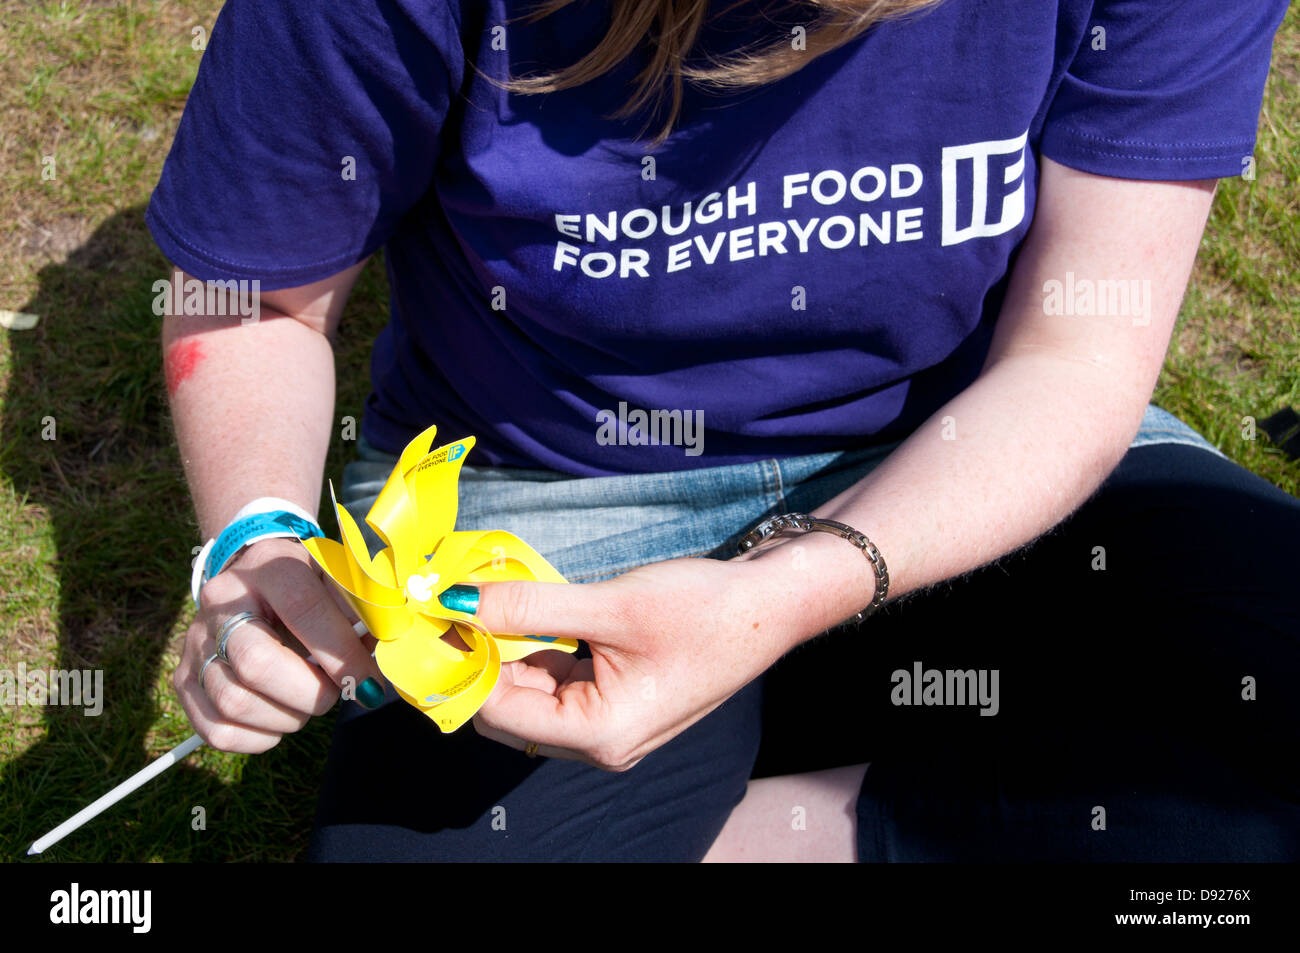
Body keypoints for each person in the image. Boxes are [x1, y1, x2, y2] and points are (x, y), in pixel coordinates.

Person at [150, 0, 1298, 861]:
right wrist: (256, 535)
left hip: (967, 446)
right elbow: (251, 298)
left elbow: (1073, 357)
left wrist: (793, 586)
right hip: (556, 504)